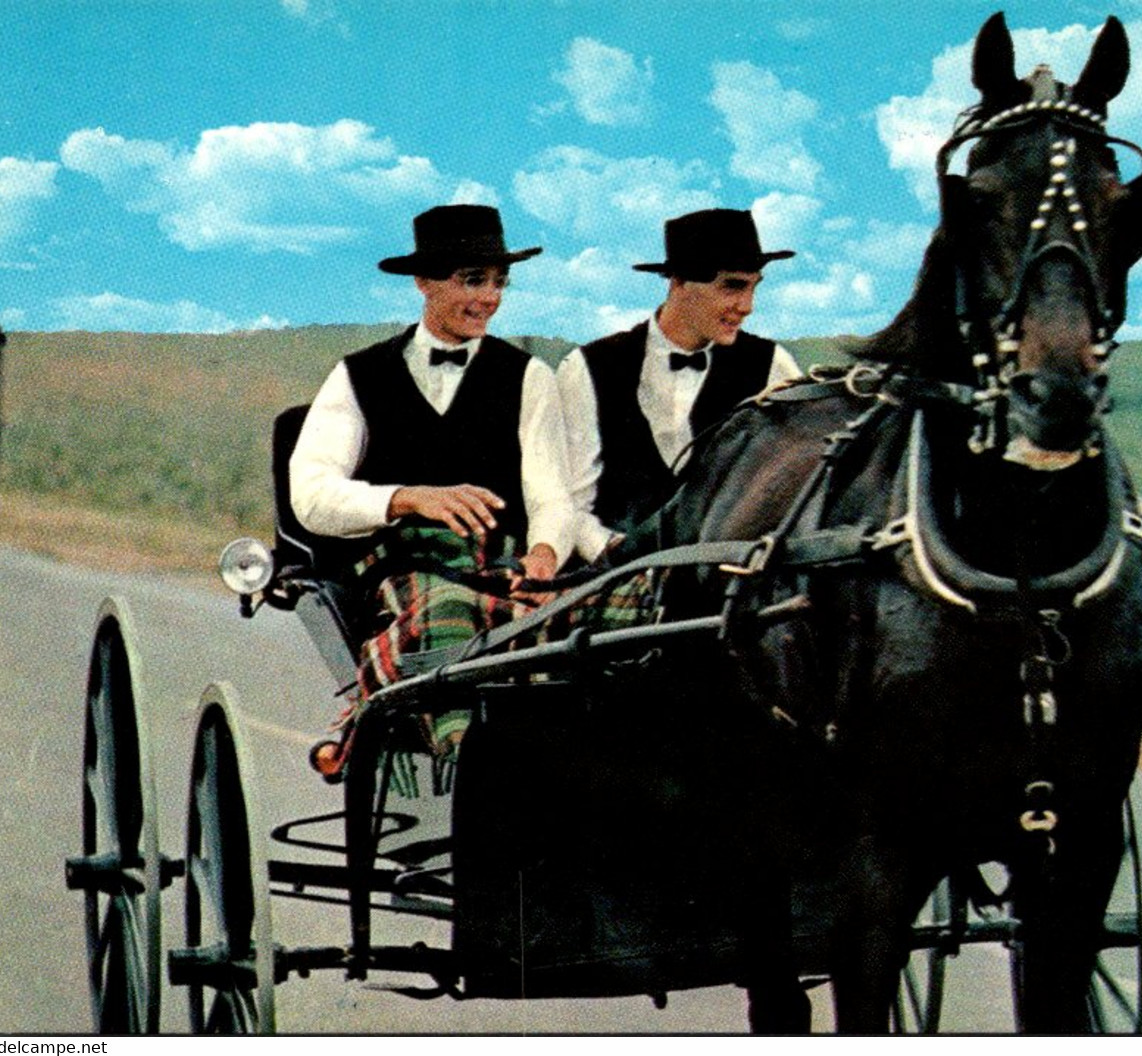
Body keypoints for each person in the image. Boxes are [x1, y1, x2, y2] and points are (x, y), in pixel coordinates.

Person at [290, 204, 573, 756]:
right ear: (423, 282)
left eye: (498, 282)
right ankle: (466, 761)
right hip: (403, 578)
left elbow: (551, 495)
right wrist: (407, 498)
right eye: (472, 280)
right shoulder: (359, 374)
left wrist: (543, 554)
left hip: (502, 571)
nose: (489, 297)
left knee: (611, 616)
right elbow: (312, 495)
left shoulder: (529, 377)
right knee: (445, 607)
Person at [557, 208, 803, 564]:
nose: (747, 306)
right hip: (609, 578)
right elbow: (571, 502)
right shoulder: (587, 367)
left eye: (753, 287)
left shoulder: (772, 366)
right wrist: (615, 557)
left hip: (722, 582)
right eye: (732, 286)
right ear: (679, 283)